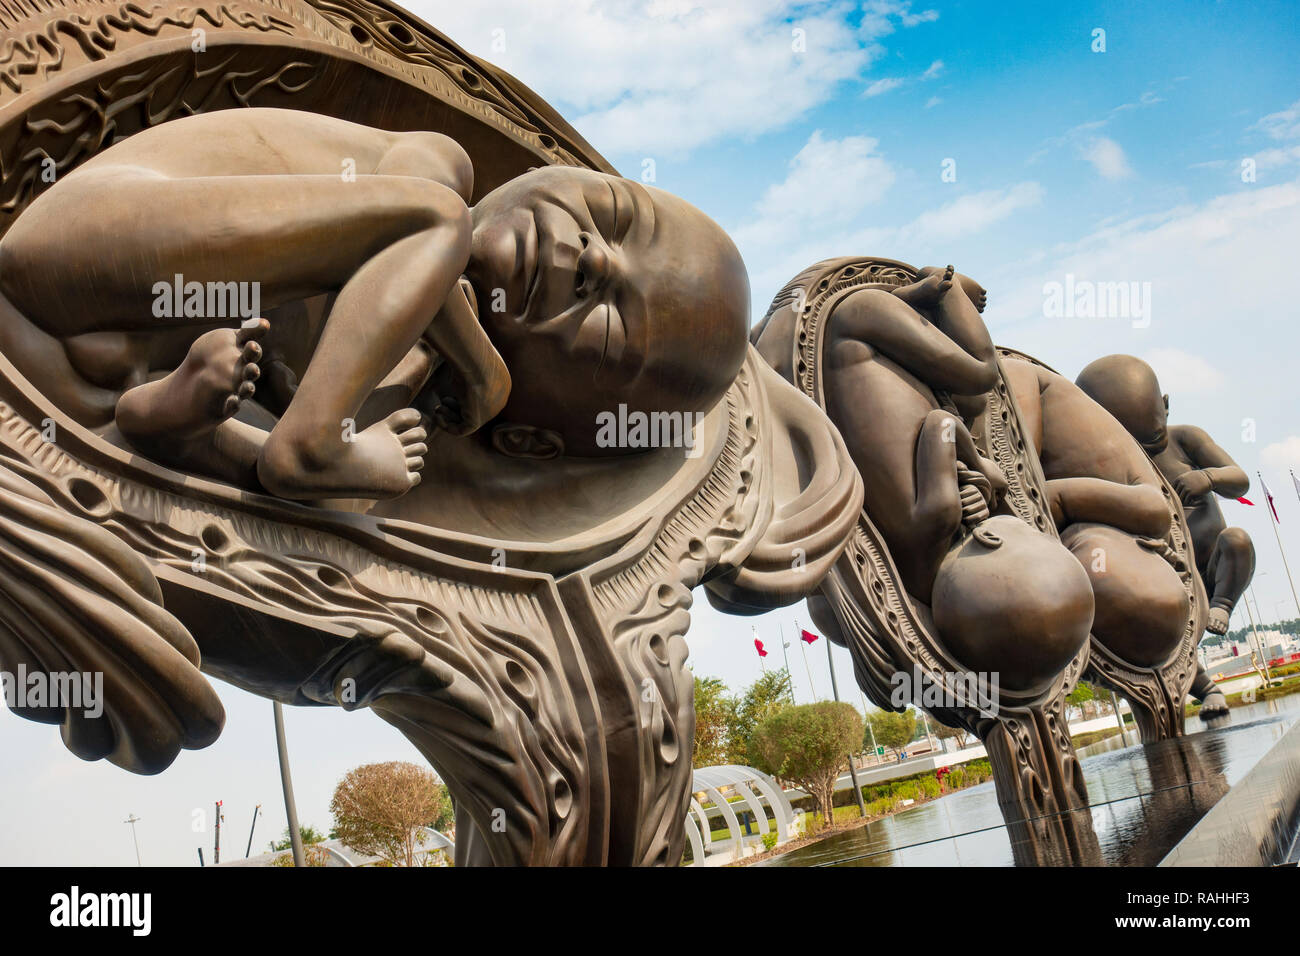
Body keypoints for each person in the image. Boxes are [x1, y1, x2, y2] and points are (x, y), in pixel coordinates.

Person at [0, 109, 749, 496]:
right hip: (85, 242)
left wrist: (404, 405)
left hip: (111, 359)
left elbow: (369, 471)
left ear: (529, 442)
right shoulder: (438, 166)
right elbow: (425, 223)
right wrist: (486, 373)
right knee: (434, 216)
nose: (593, 258)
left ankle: (164, 416)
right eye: (612, 216)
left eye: (611, 316)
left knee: (367, 481)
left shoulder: (400, 337)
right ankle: (309, 449)